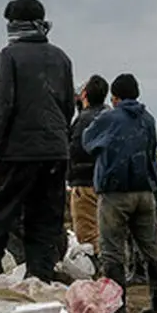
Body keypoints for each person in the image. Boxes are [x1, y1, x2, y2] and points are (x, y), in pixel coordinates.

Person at [0, 0, 75, 287]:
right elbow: (68, 106)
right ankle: (40, 278)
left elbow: (2, 105)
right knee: (45, 217)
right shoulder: (61, 57)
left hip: (19, 151)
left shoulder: (11, 55)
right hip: (56, 151)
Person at [82, 74, 157, 313]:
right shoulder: (148, 119)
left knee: (112, 252)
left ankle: (118, 309)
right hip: (144, 192)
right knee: (151, 249)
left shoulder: (108, 118)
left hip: (114, 193)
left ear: (114, 97)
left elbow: (88, 142)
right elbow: (152, 154)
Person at [68, 75, 108, 255]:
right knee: (104, 229)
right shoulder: (108, 115)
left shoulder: (83, 120)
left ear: (84, 95)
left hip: (84, 181)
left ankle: (95, 269)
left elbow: (75, 150)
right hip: (105, 180)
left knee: (86, 233)